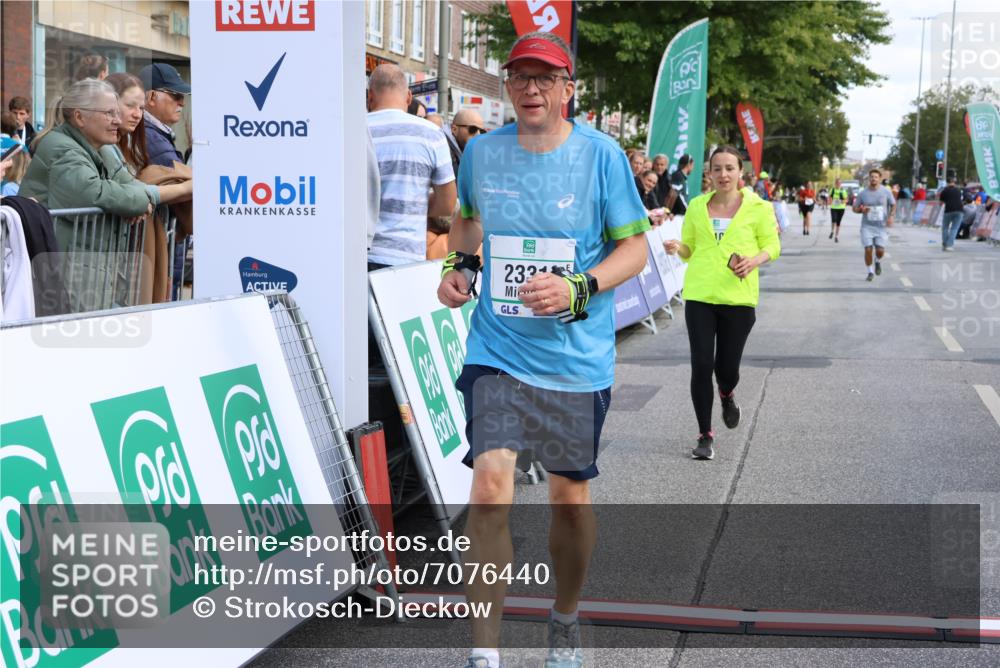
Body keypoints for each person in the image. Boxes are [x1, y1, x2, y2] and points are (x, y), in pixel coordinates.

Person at [437, 30, 649, 668]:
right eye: (520, 77)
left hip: (573, 358)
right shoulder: (481, 154)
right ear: (507, 85)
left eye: (545, 78)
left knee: (567, 496)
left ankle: (565, 615)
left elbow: (635, 250)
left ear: (567, 89)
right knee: (490, 484)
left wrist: (580, 286)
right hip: (498, 348)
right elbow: (469, 222)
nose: (530, 88)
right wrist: (459, 265)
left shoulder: (602, 156)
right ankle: (485, 654)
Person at [663, 146, 779, 460]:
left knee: (726, 368)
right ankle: (705, 434)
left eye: (730, 168)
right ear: (709, 173)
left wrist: (753, 261)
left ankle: (727, 393)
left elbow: (773, 244)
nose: (723, 174)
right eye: (717, 168)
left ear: (740, 172)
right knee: (701, 364)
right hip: (700, 294)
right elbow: (690, 248)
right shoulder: (698, 206)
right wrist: (677, 247)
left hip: (738, 298)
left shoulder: (758, 207)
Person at [19, 79, 160, 310]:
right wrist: (137, 202)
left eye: (117, 112)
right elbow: (95, 194)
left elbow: (133, 186)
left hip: (88, 273)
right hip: (65, 276)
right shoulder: (60, 147)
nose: (117, 120)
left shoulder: (101, 147)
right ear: (79, 117)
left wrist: (138, 200)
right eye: (108, 113)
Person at [104, 72, 193, 303]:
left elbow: (132, 191)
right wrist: (185, 189)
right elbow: (129, 193)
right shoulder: (112, 145)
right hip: (106, 260)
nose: (181, 103)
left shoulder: (134, 139)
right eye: (175, 95)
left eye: (140, 107)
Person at [367, 64, 455, 268]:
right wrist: (413, 204)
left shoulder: (353, 129)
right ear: (408, 97)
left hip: (358, 254)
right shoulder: (431, 134)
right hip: (406, 258)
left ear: (370, 96)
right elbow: (447, 204)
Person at [138, 63, 190, 168]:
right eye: (176, 95)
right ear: (152, 97)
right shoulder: (151, 138)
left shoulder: (149, 132)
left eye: (182, 96)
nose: (182, 103)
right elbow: (181, 179)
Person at [852, 168, 895, 281]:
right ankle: (870, 272)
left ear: (880, 179)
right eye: (872, 177)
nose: (873, 179)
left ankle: (877, 260)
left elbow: (893, 204)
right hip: (867, 226)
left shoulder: (886, 191)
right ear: (869, 179)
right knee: (868, 249)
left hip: (881, 226)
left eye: (876, 177)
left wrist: (891, 216)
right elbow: (854, 208)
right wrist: (862, 210)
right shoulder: (863, 193)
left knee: (880, 250)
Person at [938, 174, 964, 252]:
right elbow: (960, 198)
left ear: (947, 182)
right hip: (959, 210)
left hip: (948, 210)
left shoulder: (944, 191)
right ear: (954, 182)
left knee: (945, 228)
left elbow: (941, 202)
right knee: (954, 228)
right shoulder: (958, 190)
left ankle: (945, 244)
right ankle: (949, 245)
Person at [828, 178, 847, 242]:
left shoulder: (843, 191)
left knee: (838, 222)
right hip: (833, 207)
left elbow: (846, 200)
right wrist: (830, 201)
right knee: (834, 220)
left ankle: (836, 236)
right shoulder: (832, 190)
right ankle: (832, 231)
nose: (838, 184)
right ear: (835, 183)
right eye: (837, 183)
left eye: (839, 183)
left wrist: (842, 201)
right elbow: (830, 197)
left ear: (841, 184)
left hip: (841, 208)